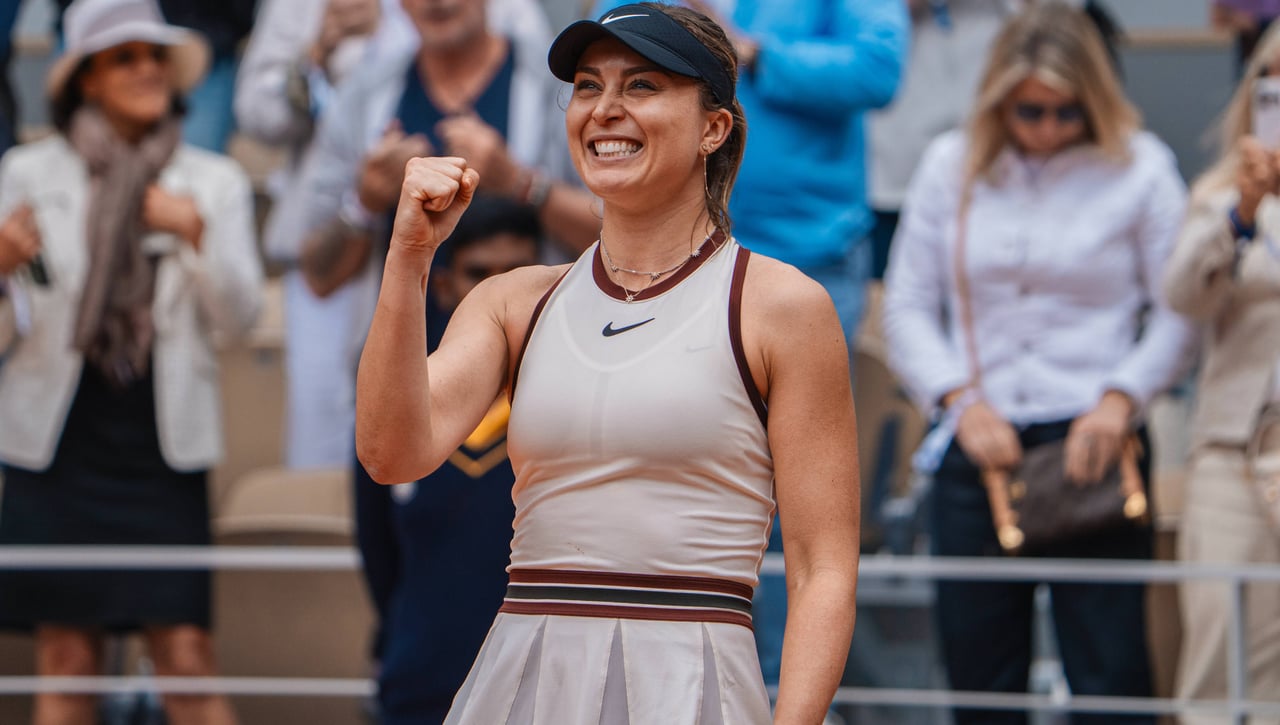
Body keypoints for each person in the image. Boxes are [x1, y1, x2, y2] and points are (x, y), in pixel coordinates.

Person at [355, 4, 861, 724]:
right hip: (521, 679)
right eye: (588, 86)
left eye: (643, 86)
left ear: (714, 127)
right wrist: (407, 259)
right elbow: (389, 451)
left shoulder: (782, 306)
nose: (605, 110)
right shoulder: (513, 302)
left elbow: (824, 569)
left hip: (693, 686)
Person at [882, 3, 1196, 723]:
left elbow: (1180, 308)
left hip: (1096, 438)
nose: (1047, 129)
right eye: (1029, 111)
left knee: (1111, 673)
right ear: (998, 99)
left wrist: (1124, 398)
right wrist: (957, 399)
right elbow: (906, 307)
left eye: (1066, 113)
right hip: (979, 438)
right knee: (979, 674)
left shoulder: (1141, 167)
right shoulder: (949, 165)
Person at [0, 0, 262, 723]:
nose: (146, 69)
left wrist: (194, 234)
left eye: (154, 55)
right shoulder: (23, 173)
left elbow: (239, 319)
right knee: (66, 659)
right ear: (85, 78)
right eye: (124, 57)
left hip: (159, 448)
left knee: (185, 657)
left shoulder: (212, 180)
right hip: (54, 444)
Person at [235, 0, 557, 469]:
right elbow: (319, 275)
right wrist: (362, 204)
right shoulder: (368, 92)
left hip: (533, 379)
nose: (439, 3)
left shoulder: (552, 82)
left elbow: (612, 233)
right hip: (403, 386)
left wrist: (518, 182)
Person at [355, 193, 539, 724]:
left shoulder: (575, 407)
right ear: (443, 286)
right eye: (480, 274)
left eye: (518, 272)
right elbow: (377, 550)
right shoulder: (399, 402)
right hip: (424, 684)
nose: (501, 292)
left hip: (547, 691)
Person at [1162, 21, 1280, 723]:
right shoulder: (1219, 198)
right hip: (1235, 453)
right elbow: (1182, 294)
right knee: (1213, 664)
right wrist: (1244, 209)